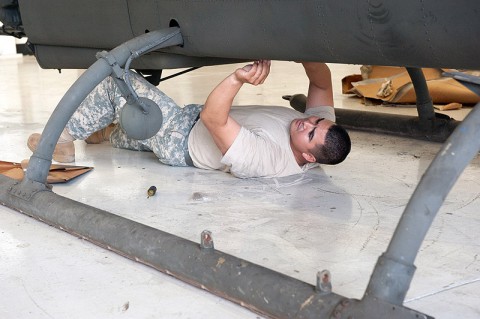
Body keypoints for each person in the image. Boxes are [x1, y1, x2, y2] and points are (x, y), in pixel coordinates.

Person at [28, 60, 351, 178]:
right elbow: (321, 83)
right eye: (315, 122)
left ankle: (60, 140)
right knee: (125, 133)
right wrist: (300, 49)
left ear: (308, 157)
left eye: (310, 133)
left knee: (118, 81)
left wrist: (237, 78)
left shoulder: (267, 159)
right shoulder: (320, 142)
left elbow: (215, 119)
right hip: (189, 124)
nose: (306, 123)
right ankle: (105, 132)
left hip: (181, 138)